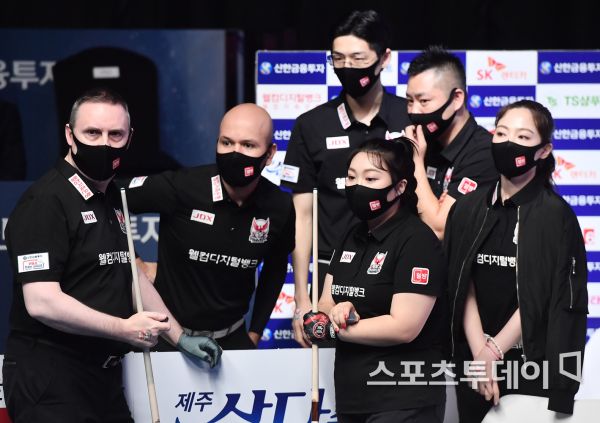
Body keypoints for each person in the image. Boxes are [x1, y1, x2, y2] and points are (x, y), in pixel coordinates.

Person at [2, 88, 221, 423]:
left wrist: (178, 336)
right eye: (92, 132)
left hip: (102, 377)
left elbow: (129, 273)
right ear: (69, 135)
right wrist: (123, 329)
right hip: (51, 376)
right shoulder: (46, 202)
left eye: (115, 134)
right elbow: (41, 302)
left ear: (129, 138)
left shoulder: (111, 196)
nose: (104, 144)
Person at [445, 100, 588, 422]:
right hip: (474, 359)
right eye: (502, 133)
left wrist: (493, 352)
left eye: (523, 137)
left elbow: (544, 295)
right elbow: (461, 284)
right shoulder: (467, 208)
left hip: (530, 364)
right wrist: (480, 354)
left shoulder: (555, 216)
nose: (509, 143)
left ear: (543, 151)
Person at [282, 10, 412, 347]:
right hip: (332, 278)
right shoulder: (311, 125)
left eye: (358, 58)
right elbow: (302, 216)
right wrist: (302, 299)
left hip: (399, 272)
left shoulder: (410, 117)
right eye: (338, 59)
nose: (347, 67)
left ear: (384, 58)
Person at [125, 103, 295, 350]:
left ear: (269, 154)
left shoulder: (279, 206)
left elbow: (275, 269)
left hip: (232, 339)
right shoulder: (183, 187)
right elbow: (109, 198)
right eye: (226, 143)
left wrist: (255, 333)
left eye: (248, 145)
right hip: (167, 337)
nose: (235, 153)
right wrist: (136, 263)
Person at [304, 138, 448, 423]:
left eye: (371, 178)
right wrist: (336, 312)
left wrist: (333, 329)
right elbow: (325, 303)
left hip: (403, 400)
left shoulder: (417, 240)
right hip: (351, 397)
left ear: (399, 187)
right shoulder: (351, 235)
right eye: (351, 177)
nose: (357, 186)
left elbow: (404, 327)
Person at [405, 46, 498, 239]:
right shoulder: (423, 141)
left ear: (456, 99)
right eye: (410, 101)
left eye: (424, 101)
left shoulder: (484, 152)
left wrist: (415, 162)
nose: (414, 111)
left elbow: (439, 228)